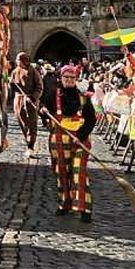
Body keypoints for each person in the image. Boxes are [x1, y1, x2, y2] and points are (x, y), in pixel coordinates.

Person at [40, 64, 97, 222]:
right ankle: (64, 203)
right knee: (62, 172)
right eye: (67, 77)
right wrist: (43, 112)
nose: (70, 80)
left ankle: (84, 208)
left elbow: (91, 119)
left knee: (79, 172)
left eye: (73, 78)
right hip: (59, 138)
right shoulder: (52, 94)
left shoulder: (83, 97)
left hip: (79, 138)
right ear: (61, 78)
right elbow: (44, 111)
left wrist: (81, 135)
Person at [9, 52, 42, 157]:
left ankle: (31, 145)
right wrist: (11, 84)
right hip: (18, 100)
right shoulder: (15, 72)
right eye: (17, 60)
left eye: (20, 60)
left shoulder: (33, 71)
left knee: (32, 124)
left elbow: (39, 86)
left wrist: (33, 97)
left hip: (30, 100)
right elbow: (12, 85)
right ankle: (27, 142)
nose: (18, 62)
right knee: (22, 122)